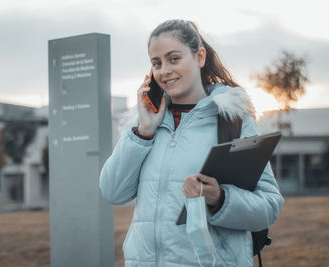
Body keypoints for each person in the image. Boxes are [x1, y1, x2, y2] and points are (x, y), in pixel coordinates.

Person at [99, 19, 284, 267]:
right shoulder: (145, 126)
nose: (164, 71)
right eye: (156, 63)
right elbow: (112, 191)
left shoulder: (232, 121)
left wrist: (219, 199)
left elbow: (269, 206)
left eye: (173, 58)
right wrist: (143, 131)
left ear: (199, 57)